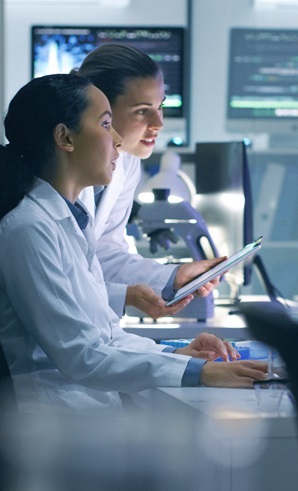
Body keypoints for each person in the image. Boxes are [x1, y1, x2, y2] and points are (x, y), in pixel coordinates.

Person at [0, 74, 267, 437]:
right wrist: (199, 372)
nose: (118, 140)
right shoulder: (28, 229)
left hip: (73, 401)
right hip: (56, 414)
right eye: (106, 124)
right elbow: (81, 355)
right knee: (214, 444)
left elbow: (103, 334)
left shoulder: (65, 220)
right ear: (65, 138)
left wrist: (177, 354)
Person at [73, 43, 222, 320]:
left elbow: (103, 253)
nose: (158, 123)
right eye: (142, 111)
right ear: (100, 109)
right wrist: (127, 297)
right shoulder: (52, 181)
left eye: (160, 107)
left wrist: (173, 276)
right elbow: (64, 284)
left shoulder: (127, 162)